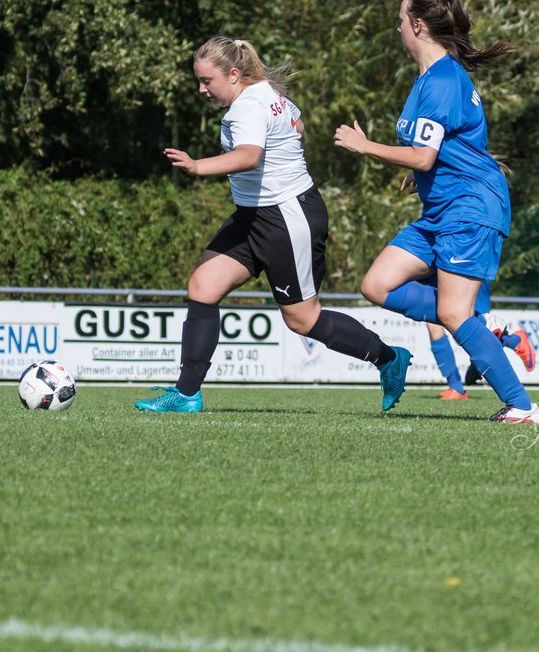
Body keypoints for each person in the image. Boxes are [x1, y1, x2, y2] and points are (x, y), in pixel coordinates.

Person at [136, 36, 411, 413]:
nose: (201, 90)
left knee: (303, 320)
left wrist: (199, 166)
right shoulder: (267, 91)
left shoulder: (246, 107)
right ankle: (186, 394)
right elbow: (297, 124)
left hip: (287, 216)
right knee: (203, 285)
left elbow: (249, 156)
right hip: (254, 215)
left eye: (206, 81)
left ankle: (388, 357)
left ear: (233, 75)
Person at [333, 0, 539, 423]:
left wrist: (366, 146)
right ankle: (490, 329)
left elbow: (425, 152)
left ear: (418, 25)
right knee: (377, 285)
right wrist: (420, 173)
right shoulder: (428, 78)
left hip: (471, 206)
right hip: (442, 208)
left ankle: (522, 407)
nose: (397, 27)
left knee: (451, 311)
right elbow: (437, 151)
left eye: (401, 19)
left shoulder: (443, 80)